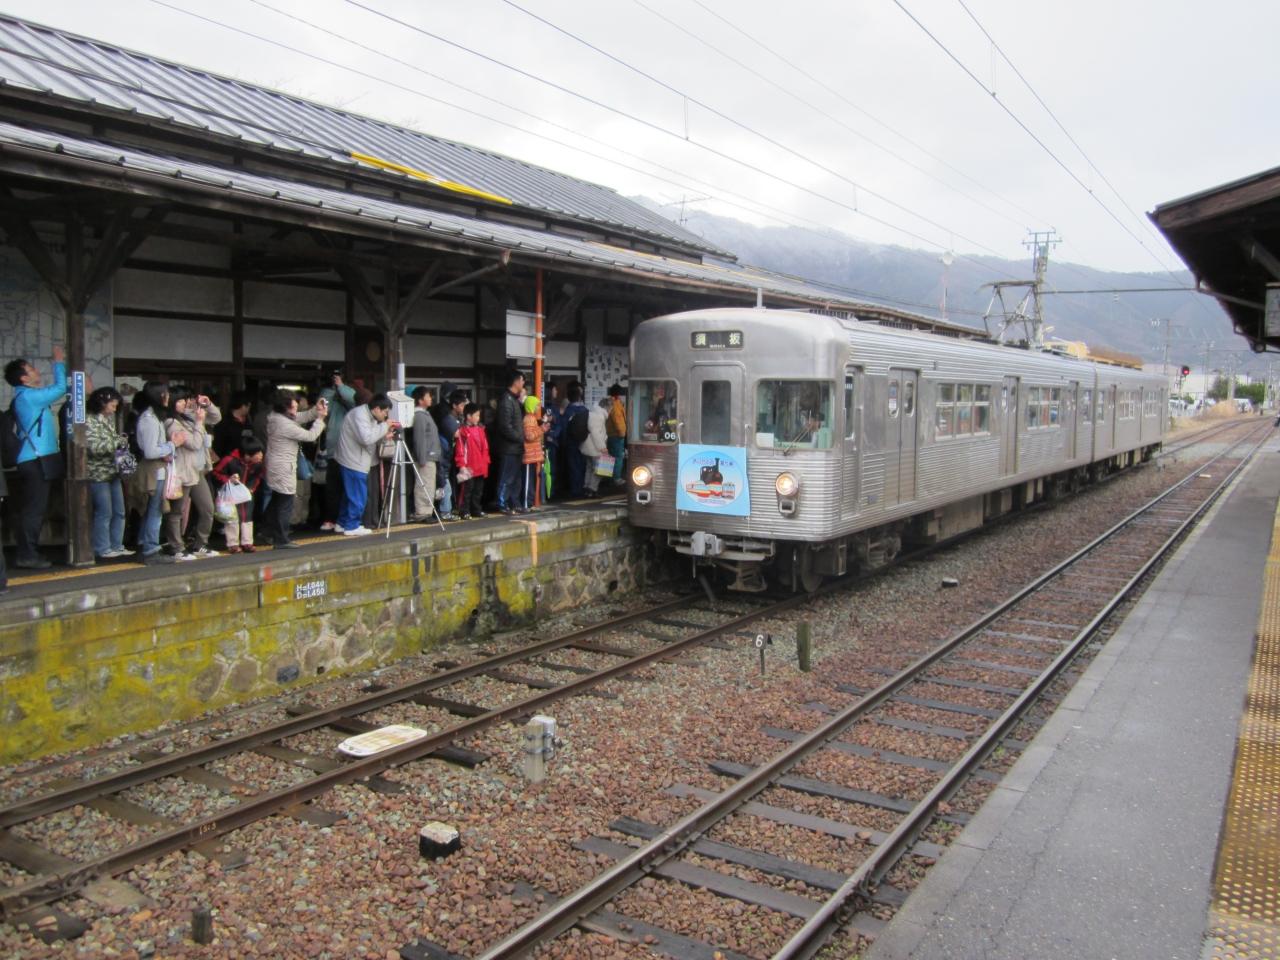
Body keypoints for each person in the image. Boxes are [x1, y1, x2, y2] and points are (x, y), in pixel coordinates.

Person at [4, 346, 67, 569]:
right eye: (31, 369)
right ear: (24, 378)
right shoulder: (28, 397)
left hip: (36, 460)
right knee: (34, 510)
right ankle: (27, 554)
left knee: (35, 509)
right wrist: (58, 362)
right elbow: (60, 388)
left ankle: (29, 552)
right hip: (35, 460)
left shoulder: (24, 397)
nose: (36, 371)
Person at [264, 389, 327, 549]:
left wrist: (316, 410)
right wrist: (320, 419)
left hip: (276, 465)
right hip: (283, 466)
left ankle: (268, 532)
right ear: (285, 407)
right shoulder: (284, 424)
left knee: (277, 500)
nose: (295, 409)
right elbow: (310, 436)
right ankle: (281, 539)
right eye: (293, 407)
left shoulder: (276, 416)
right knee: (285, 502)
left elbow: (300, 416)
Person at [164, 386, 221, 560]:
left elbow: (216, 418)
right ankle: (176, 547)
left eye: (187, 399)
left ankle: (200, 544)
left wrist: (208, 405)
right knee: (177, 511)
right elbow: (194, 444)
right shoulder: (171, 423)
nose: (186, 403)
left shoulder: (187, 416)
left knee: (208, 508)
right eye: (182, 400)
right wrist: (199, 422)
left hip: (197, 471)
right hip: (182, 472)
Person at [134, 381, 184, 564]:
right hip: (154, 472)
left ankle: (144, 546)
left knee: (152, 511)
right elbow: (150, 451)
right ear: (160, 396)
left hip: (157, 470)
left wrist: (167, 450)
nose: (168, 397)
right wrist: (172, 445)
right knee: (155, 511)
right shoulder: (149, 420)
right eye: (166, 394)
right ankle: (150, 549)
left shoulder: (153, 417)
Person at [335, 393, 395, 536]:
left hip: (353, 458)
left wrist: (384, 435)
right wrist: (384, 426)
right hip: (354, 460)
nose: (386, 416)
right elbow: (366, 438)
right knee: (358, 495)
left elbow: (371, 436)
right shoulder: (360, 415)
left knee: (349, 495)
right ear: (377, 409)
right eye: (385, 412)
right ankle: (352, 526)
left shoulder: (368, 415)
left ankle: (342, 524)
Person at [85, 386, 130, 560]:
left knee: (119, 511)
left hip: (113, 472)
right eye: (112, 405)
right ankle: (102, 548)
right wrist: (117, 443)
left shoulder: (107, 420)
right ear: (102, 403)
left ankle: (116, 545)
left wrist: (120, 442)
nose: (114, 409)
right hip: (98, 474)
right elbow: (93, 447)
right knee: (105, 512)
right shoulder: (89, 421)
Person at [318, 371, 356, 532]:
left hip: (348, 449)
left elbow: (352, 399)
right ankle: (331, 518)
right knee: (332, 487)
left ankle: (344, 519)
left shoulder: (350, 392)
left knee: (347, 487)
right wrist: (334, 389)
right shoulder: (327, 394)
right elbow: (322, 403)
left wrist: (341, 386)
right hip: (333, 448)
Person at [212, 438, 265, 553]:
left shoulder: (257, 464)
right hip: (231, 494)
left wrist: (252, 488)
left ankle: (247, 542)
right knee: (232, 517)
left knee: (247, 516)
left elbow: (257, 477)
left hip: (247, 493)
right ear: (247, 454)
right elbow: (216, 472)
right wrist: (228, 480)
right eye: (258, 453)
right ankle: (232, 544)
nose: (261, 455)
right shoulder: (229, 460)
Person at [492, 369, 525, 515]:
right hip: (509, 447)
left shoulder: (514, 400)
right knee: (507, 476)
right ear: (516, 381)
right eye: (522, 380)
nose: (523, 383)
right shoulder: (507, 400)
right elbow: (505, 426)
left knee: (516, 478)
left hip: (516, 447)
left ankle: (514, 503)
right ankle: (502, 502)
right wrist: (519, 437)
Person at [409, 386, 442, 522]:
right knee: (424, 484)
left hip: (429, 455)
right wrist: (421, 458)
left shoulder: (424, 415)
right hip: (425, 457)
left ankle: (427, 511)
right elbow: (419, 438)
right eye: (428, 396)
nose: (430, 398)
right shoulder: (420, 416)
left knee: (428, 484)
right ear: (420, 400)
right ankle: (422, 512)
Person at [434, 389, 467, 521]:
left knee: (447, 486)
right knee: (445, 486)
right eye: (462, 405)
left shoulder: (456, 419)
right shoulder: (448, 419)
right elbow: (459, 435)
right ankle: (444, 511)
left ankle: (446, 510)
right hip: (443, 457)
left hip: (447, 458)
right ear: (454, 405)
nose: (463, 408)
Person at [453, 402, 490, 520]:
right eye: (477, 415)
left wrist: (485, 462)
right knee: (467, 490)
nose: (478, 418)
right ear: (468, 416)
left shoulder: (480, 430)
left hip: (480, 465)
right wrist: (461, 465)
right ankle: (464, 510)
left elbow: (485, 448)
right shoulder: (463, 431)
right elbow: (460, 450)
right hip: (469, 466)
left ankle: (476, 509)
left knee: (478, 490)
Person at [520, 395, 550, 513]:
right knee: (528, 481)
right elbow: (529, 436)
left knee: (531, 480)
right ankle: (526, 504)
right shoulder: (529, 419)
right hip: (529, 455)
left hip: (532, 455)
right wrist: (541, 429)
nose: (539, 407)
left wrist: (541, 428)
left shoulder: (531, 418)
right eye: (537, 405)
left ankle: (530, 503)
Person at [562, 384, 589, 498]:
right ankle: (582, 488)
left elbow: (564, 428)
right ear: (579, 397)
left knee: (573, 466)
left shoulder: (568, 411)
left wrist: (563, 442)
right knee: (582, 465)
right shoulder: (585, 410)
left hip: (571, 442)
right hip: (583, 441)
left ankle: (575, 490)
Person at [581, 397, 611, 497]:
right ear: (607, 407)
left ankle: (587, 488)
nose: (611, 411)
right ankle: (592, 489)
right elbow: (596, 433)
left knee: (590, 468)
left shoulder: (594, 412)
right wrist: (602, 448)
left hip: (588, 447)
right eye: (611, 408)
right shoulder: (599, 416)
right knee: (600, 470)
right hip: (594, 448)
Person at [212, 391, 253, 460]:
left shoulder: (248, 422)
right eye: (248, 406)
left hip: (246, 461)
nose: (249, 409)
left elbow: (251, 440)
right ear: (243, 406)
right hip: (228, 461)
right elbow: (218, 446)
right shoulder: (224, 423)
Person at [605, 383, 627, 485]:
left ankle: (606, 477)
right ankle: (617, 478)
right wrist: (622, 434)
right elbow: (618, 421)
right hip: (616, 435)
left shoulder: (608, 402)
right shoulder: (616, 404)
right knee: (618, 457)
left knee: (608, 456)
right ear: (618, 394)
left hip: (609, 433)